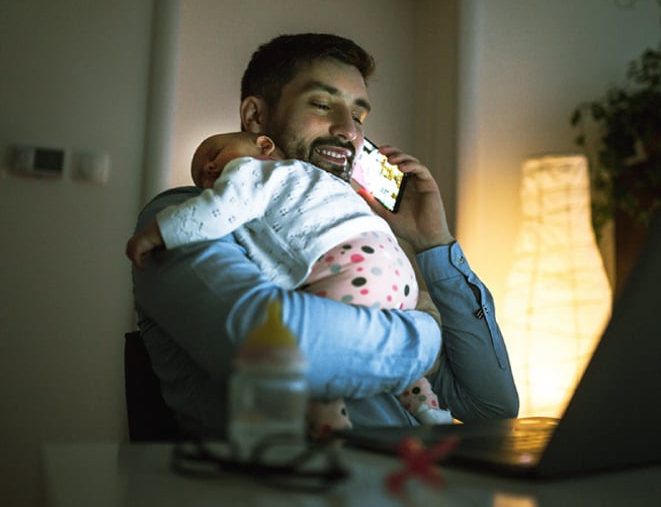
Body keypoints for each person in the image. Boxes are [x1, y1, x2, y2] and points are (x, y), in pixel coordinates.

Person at [131, 33, 518, 440]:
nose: (349, 130)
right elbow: (270, 349)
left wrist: (433, 243)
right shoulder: (177, 220)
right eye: (322, 104)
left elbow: (491, 406)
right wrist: (421, 336)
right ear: (256, 117)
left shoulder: (355, 248)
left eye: (359, 116)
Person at [127, 130, 454, 438]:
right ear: (254, 114)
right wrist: (422, 336)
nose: (208, 168)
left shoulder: (254, 173)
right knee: (398, 378)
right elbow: (279, 345)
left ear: (264, 146)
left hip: (352, 269)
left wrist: (163, 232)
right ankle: (430, 411)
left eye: (213, 155)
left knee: (322, 384)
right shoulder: (315, 186)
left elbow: (215, 210)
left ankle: (332, 432)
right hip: (395, 277)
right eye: (201, 173)